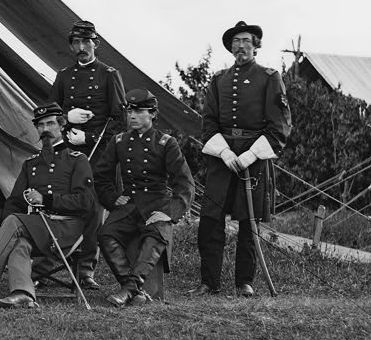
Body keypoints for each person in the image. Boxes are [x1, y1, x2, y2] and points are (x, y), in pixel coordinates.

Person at [0, 103, 95, 309]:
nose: (45, 130)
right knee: (18, 240)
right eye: (40, 125)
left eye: (50, 123)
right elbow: (15, 202)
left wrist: (46, 200)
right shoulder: (31, 164)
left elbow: (86, 202)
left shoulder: (77, 160)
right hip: (38, 228)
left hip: (66, 229)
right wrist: (5, 227)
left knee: (16, 221)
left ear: (62, 125)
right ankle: (22, 293)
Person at [196, 21, 292, 298]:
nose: (241, 46)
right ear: (230, 47)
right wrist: (225, 152)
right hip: (221, 159)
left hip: (254, 158)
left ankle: (244, 282)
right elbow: (209, 122)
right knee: (210, 219)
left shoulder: (270, 77)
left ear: (256, 46)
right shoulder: (218, 80)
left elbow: (280, 125)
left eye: (246, 41)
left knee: (249, 222)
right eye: (236, 41)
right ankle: (209, 282)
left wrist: (250, 155)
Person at [94, 89, 195, 308]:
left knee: (156, 233)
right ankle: (133, 290)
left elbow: (185, 183)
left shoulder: (166, 143)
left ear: (152, 114)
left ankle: (128, 291)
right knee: (105, 234)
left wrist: (169, 213)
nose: (132, 116)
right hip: (129, 205)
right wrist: (112, 199)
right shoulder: (119, 141)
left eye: (139, 111)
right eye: (130, 111)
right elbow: (100, 175)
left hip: (157, 204)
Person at [47, 20, 126, 290]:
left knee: (93, 209)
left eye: (86, 42)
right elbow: (50, 114)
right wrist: (66, 119)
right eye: (76, 43)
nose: (81, 48)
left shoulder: (109, 74)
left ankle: (86, 269)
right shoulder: (64, 75)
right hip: (68, 153)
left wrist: (90, 137)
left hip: (98, 154)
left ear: (96, 44)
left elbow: (120, 120)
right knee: (62, 203)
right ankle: (52, 263)